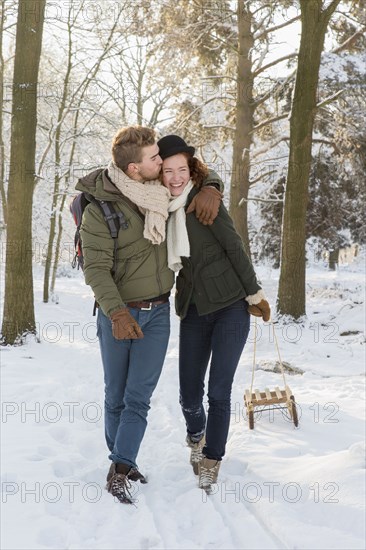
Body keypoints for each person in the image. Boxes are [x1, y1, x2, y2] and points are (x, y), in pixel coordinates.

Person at [75, 126, 224, 504]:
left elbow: (195, 170)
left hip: (157, 312)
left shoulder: (164, 195)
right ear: (134, 169)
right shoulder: (101, 209)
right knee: (115, 396)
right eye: (155, 158)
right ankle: (123, 458)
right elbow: (95, 269)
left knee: (138, 397)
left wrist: (212, 187)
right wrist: (116, 312)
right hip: (117, 315)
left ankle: (120, 468)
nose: (163, 162)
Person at [157, 134, 271, 493]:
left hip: (230, 307)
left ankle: (212, 458)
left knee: (219, 391)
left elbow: (235, 247)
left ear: (192, 169)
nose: (175, 178)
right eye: (167, 171)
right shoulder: (160, 207)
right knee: (188, 394)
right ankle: (197, 436)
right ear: (158, 174)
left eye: (182, 169)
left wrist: (254, 293)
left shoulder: (205, 203)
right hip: (193, 307)